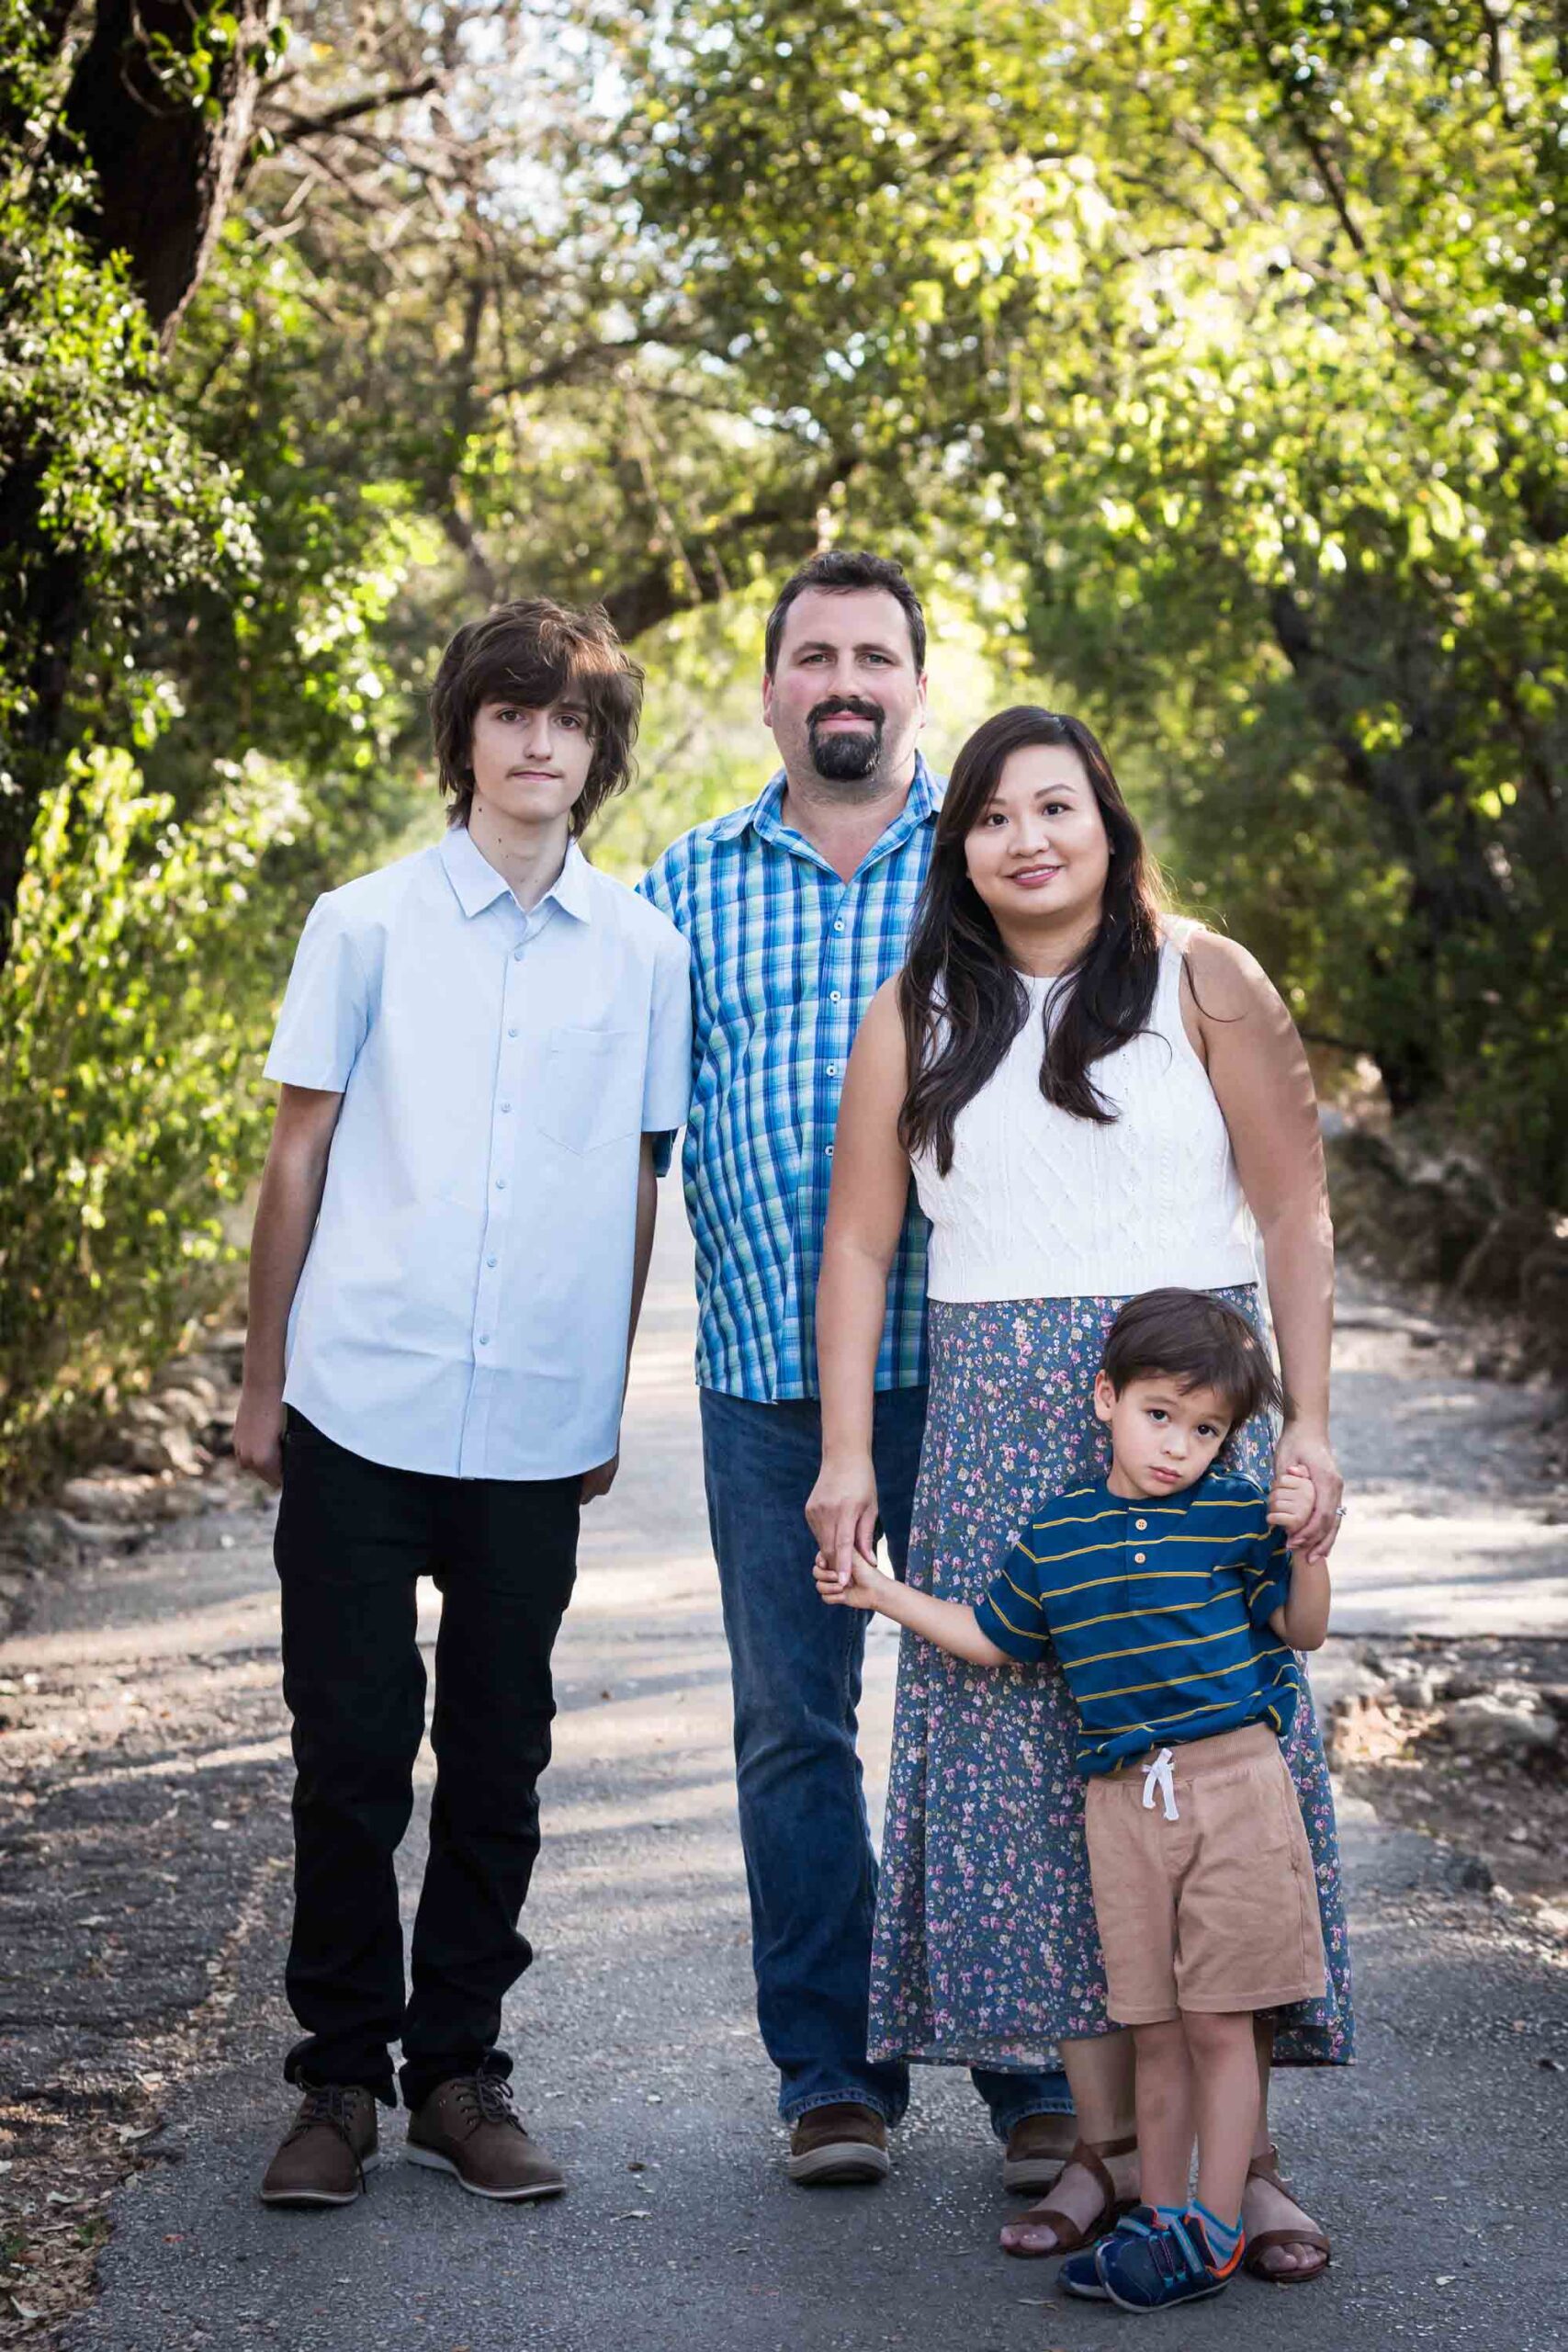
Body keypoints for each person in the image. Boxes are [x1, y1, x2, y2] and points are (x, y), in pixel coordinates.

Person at [807, 704, 1349, 2275]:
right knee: (1040, 1808)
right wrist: (850, 1451)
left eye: (1055, 807)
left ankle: (1241, 2169)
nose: (1025, 838)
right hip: (990, 1431)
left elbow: (1295, 1211)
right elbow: (858, 1247)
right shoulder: (916, 1007)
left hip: (1186, 1414)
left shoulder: (1205, 976)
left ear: (1104, 825)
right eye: (991, 815)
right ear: (957, 847)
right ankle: (1103, 2157)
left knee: (1218, 1780)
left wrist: (1305, 1428)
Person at [234, 599, 692, 2208]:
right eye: (508, 712)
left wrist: (603, 1393)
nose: (536, 740)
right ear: (466, 735)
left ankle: (457, 2074)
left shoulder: (646, 950)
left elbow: (639, 1185)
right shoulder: (360, 924)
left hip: (533, 1429)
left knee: (500, 1754)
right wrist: (264, 1378)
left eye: (566, 719)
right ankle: (335, 2086)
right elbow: (296, 1156)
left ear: (594, 750)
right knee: (350, 1751)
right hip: (361, 1399)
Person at [639, 553, 1066, 2188]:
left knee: (1005, 1704)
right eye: (811, 655)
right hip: (762, 1378)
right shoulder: (683, 883)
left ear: (914, 685)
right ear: (764, 691)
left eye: (873, 656)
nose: (843, 681)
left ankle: (1034, 2066)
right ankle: (831, 2073)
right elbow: (636, 1134)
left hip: (983, 1368)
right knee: (793, 1729)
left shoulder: (984, 867)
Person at [815, 1287, 1333, 2309]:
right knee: (1151, 2025)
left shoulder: (1234, 1515)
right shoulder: (1060, 1535)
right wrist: (883, 1593)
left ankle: (1214, 2228)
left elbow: (1302, 1630)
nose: (1178, 1446)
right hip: (1125, 1806)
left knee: (1223, 2022)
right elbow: (991, 1637)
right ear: (1106, 1396)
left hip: (1235, 1786)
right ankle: (1161, 2214)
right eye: (1158, 1415)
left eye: (1205, 1429)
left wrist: (1309, 1550)